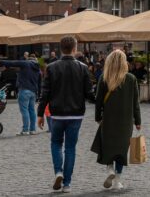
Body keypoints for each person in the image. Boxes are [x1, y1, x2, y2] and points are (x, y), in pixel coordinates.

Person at [38, 35, 92, 193]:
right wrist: (101, 104)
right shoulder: (83, 67)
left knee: (55, 143)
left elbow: (45, 93)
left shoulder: (52, 67)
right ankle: (67, 184)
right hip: (76, 114)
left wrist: (40, 114)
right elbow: (89, 94)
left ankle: (58, 172)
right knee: (70, 148)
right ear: (75, 49)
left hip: (57, 114)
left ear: (60, 49)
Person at [91, 50, 142, 191]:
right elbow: (135, 103)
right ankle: (118, 181)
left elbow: (98, 101)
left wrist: (98, 118)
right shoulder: (131, 78)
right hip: (125, 121)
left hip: (108, 119)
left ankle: (110, 170)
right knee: (121, 150)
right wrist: (138, 121)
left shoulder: (104, 78)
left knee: (107, 147)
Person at [0, 53, 42, 135]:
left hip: (24, 90)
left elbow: (12, 63)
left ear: (28, 59)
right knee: (32, 111)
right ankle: (33, 129)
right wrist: (39, 94)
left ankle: (25, 130)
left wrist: (0, 61)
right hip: (33, 92)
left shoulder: (25, 63)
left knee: (24, 110)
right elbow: (39, 83)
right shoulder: (38, 69)